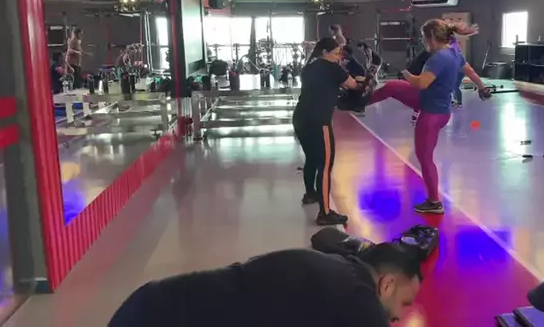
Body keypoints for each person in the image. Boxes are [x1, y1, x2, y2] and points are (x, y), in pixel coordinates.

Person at [108, 243, 422, 327]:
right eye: (404, 303)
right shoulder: (359, 299)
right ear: (387, 284)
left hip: (150, 305)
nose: (399, 316)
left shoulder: (336, 269)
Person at [365, 20, 491, 214]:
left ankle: (434, 202)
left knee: (425, 158)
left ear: (431, 37)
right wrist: (482, 87)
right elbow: (471, 71)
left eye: (424, 38)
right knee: (392, 87)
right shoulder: (455, 53)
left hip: (431, 113)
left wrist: (405, 74)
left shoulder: (438, 58)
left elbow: (421, 83)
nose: (424, 42)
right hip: (434, 106)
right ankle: (360, 102)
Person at [293, 37, 360, 225]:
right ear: (324, 52)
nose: (338, 57)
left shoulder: (309, 67)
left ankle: (310, 195)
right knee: (325, 165)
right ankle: (325, 213)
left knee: (312, 159)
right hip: (319, 121)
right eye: (336, 53)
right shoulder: (333, 68)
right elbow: (354, 85)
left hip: (300, 119)